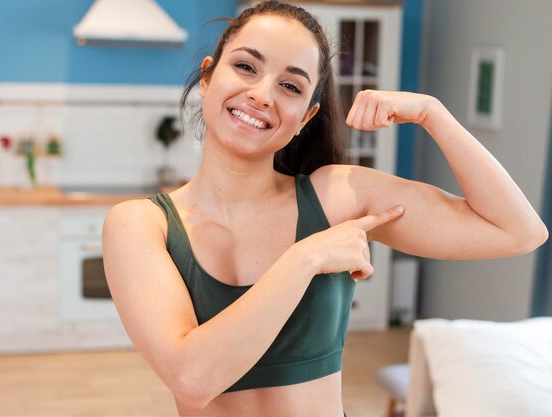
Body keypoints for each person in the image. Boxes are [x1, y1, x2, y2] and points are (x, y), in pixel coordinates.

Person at [102, 1, 548, 416]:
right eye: (245, 66)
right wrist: (307, 256)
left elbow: (518, 232)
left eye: (290, 86)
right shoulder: (141, 224)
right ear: (207, 77)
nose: (261, 94)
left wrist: (433, 114)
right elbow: (193, 379)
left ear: (307, 117)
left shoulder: (337, 196)